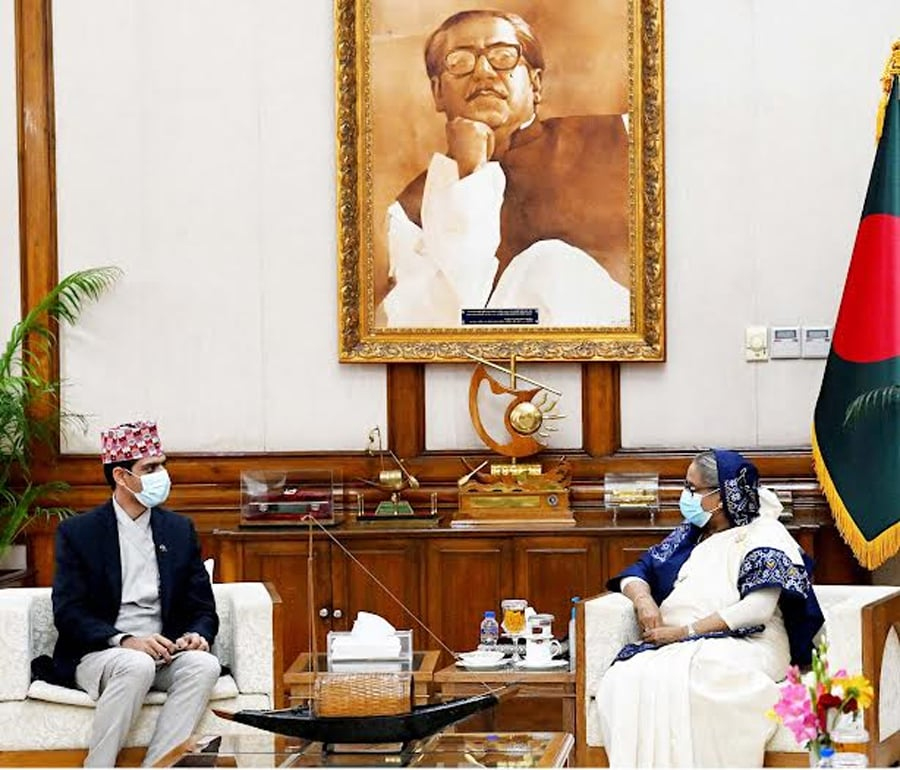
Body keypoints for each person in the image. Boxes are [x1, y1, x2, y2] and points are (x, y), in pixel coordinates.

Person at [379, 9, 630, 328]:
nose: (483, 71)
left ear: (535, 84)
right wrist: (469, 174)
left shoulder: (624, 137)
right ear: (438, 92)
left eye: (502, 56)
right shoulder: (410, 211)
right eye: (460, 61)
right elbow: (433, 323)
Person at [595, 449, 825, 768]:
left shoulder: (765, 533)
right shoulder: (691, 535)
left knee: (705, 678)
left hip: (749, 641)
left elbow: (757, 609)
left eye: (693, 488)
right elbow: (638, 571)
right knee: (624, 678)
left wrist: (684, 632)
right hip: (677, 642)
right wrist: (643, 600)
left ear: (721, 495)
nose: (685, 496)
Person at [49, 420, 220, 767]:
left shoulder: (179, 529)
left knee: (204, 665)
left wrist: (197, 635)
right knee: (136, 663)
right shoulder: (79, 532)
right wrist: (125, 640)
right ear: (121, 476)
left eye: (162, 465)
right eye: (150, 468)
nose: (162, 475)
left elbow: (203, 607)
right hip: (101, 653)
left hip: (164, 653)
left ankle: (159, 765)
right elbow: (68, 612)